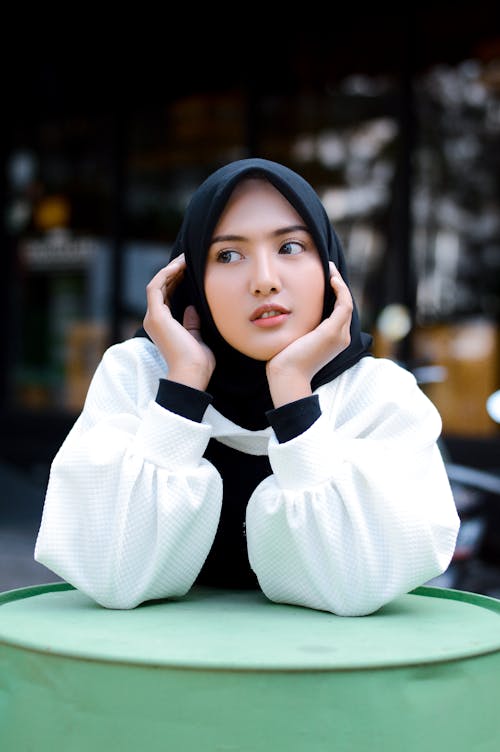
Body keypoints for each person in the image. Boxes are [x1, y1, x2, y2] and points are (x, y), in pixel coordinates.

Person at [34, 157, 460, 616]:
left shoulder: (377, 396)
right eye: (228, 255)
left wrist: (293, 390)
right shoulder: (135, 377)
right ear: (190, 279)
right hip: (160, 672)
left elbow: (355, 587)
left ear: (330, 267)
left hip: (327, 675)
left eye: (291, 247)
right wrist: (182, 390)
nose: (264, 281)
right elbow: (110, 577)